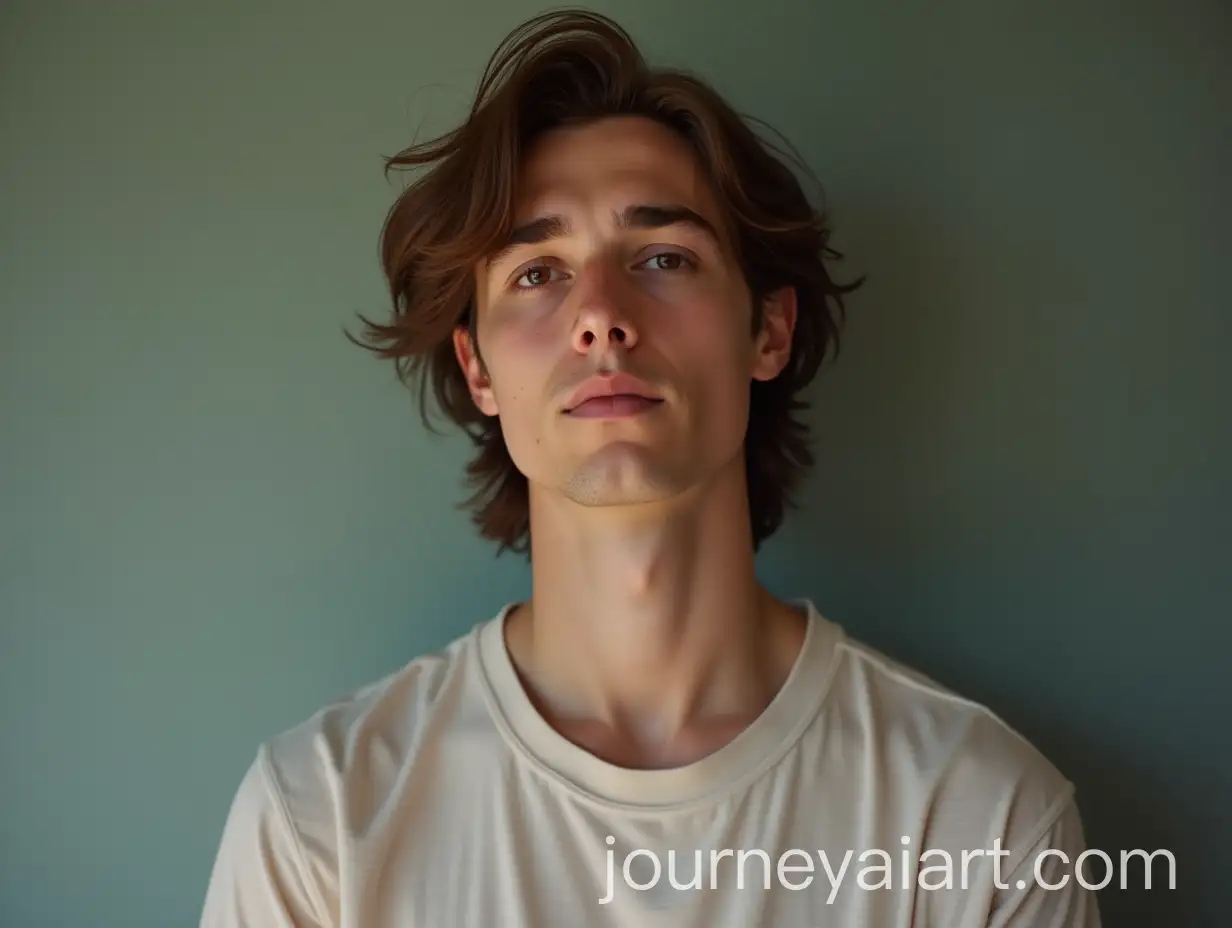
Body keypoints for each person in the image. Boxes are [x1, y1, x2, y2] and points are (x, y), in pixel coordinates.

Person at [200, 9, 1101, 927]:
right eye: (538, 273)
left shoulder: (980, 821)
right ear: (478, 369)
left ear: (769, 330)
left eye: (664, 257)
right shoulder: (320, 824)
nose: (600, 315)